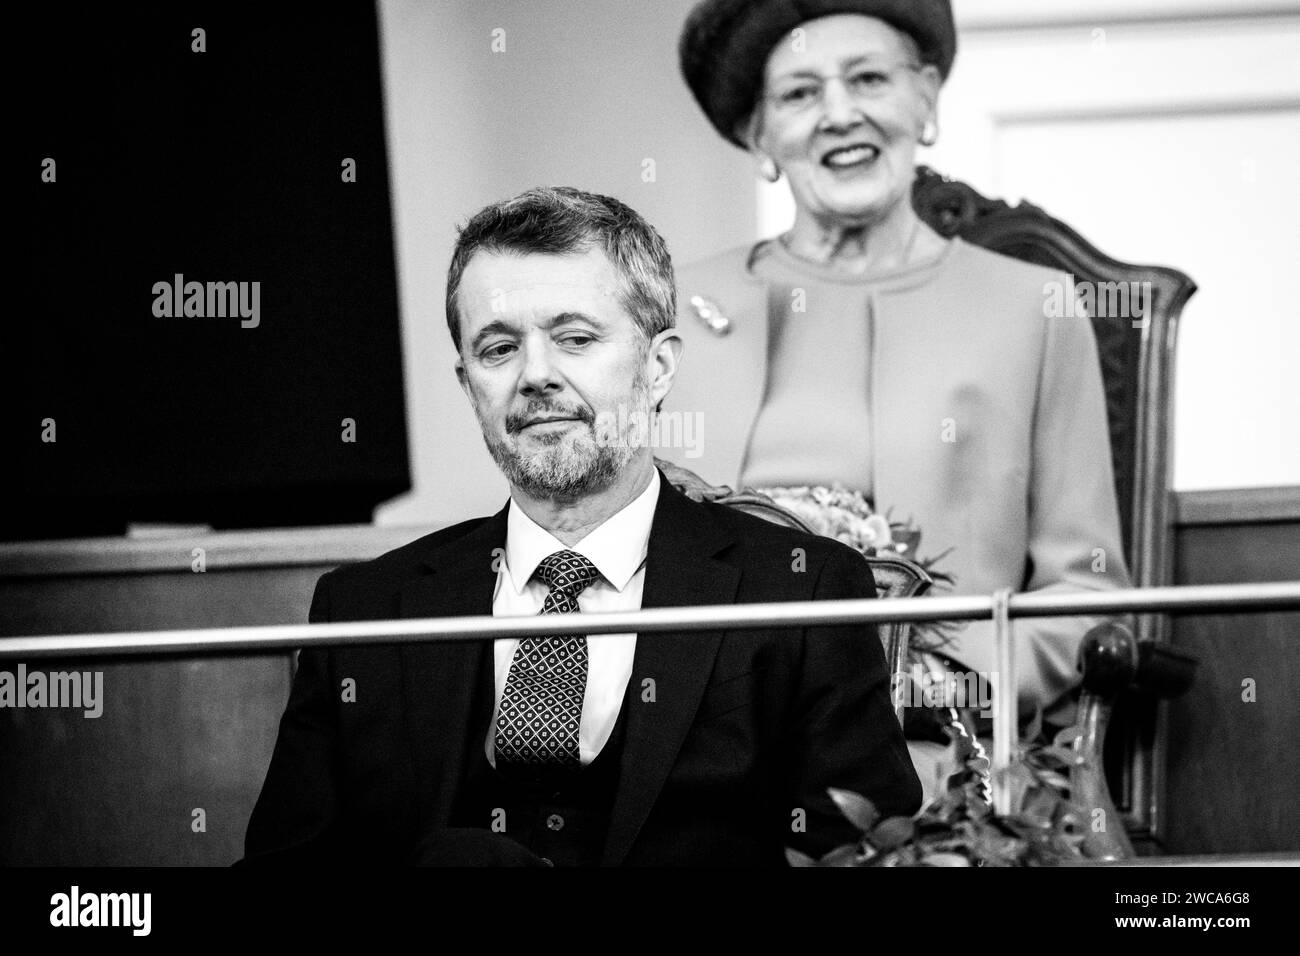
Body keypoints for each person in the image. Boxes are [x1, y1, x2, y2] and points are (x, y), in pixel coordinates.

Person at [242, 186, 920, 867]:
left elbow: (870, 855)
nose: (535, 375)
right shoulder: (362, 613)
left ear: (658, 367)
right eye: (499, 349)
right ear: (467, 383)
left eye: (574, 339)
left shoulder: (804, 592)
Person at [664, 0, 1132, 755]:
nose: (839, 114)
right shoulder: (668, 310)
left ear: (926, 100)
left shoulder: (1034, 308)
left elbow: (1085, 592)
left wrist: (946, 681)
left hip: (937, 752)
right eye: (799, 93)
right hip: (702, 751)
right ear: (759, 137)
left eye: (869, 79)